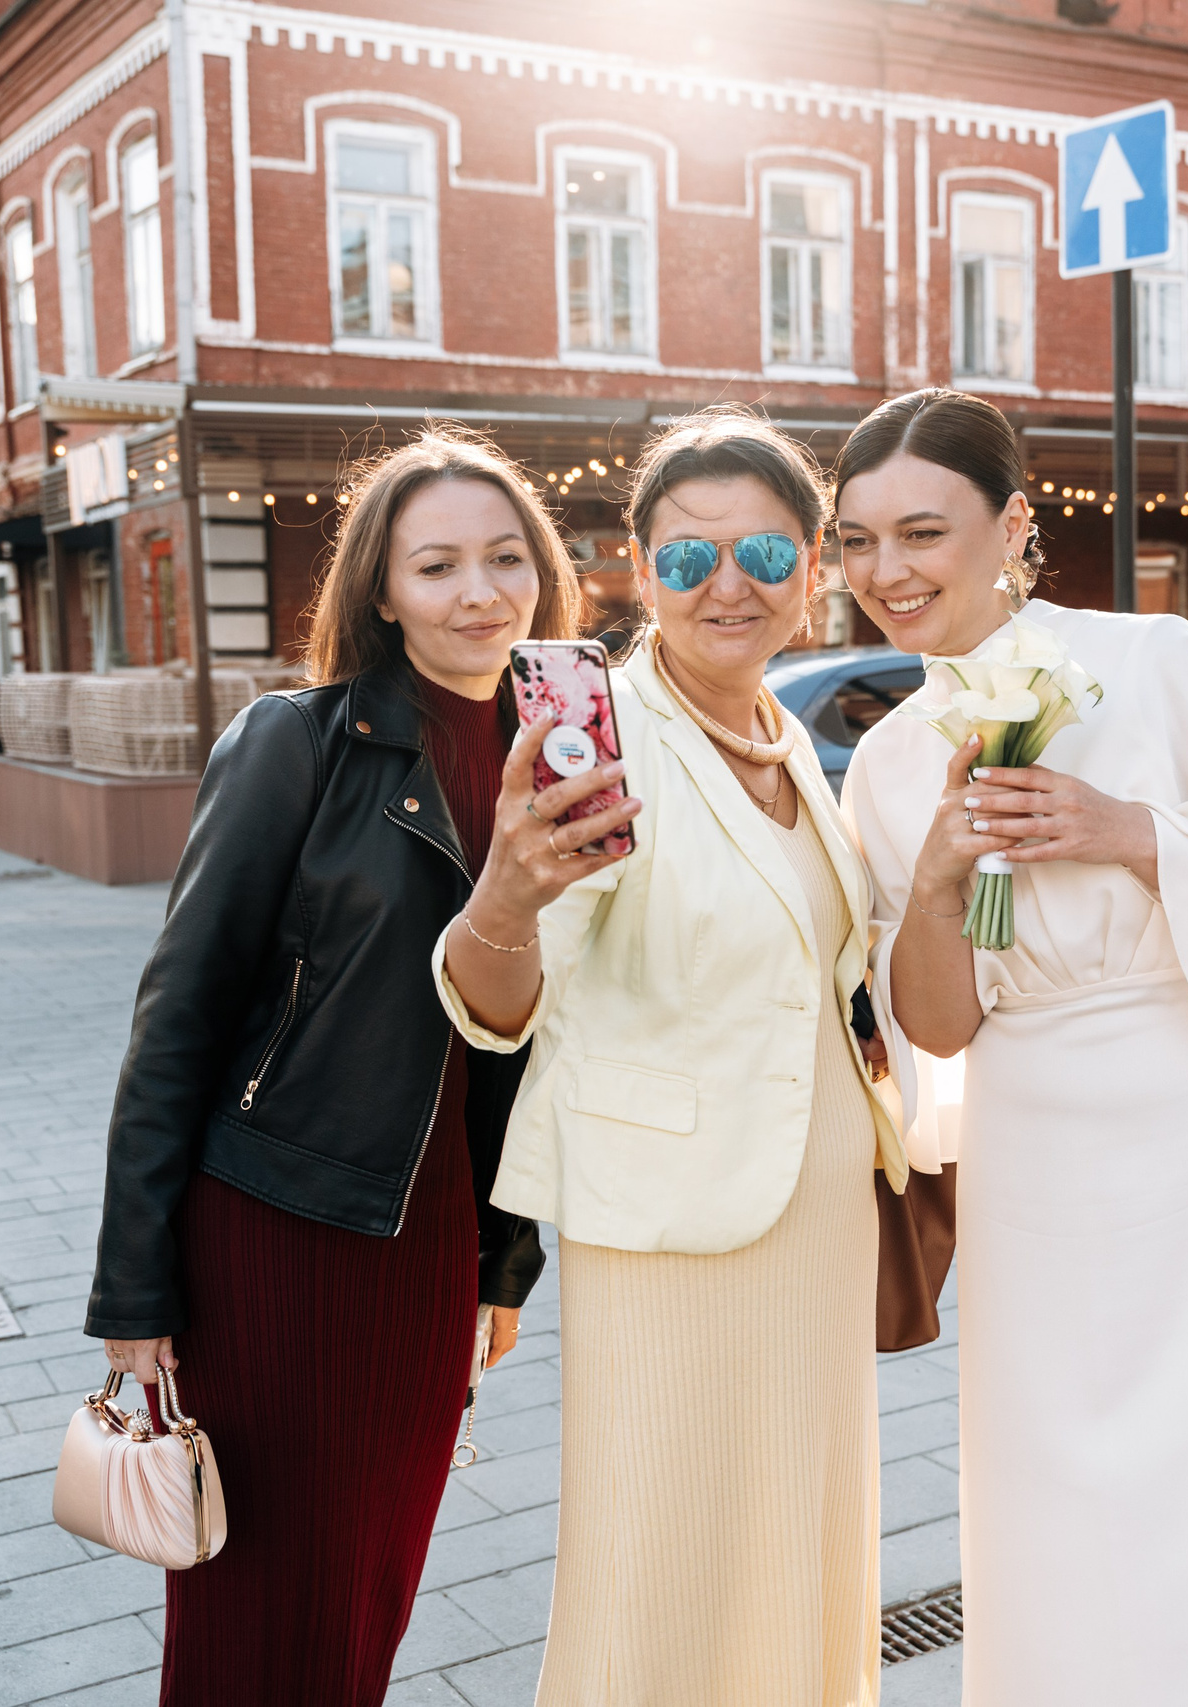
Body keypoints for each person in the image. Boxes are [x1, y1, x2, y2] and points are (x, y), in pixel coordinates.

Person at [835, 389, 1188, 1707]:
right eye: (856, 541)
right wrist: (947, 881)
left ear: (1014, 523)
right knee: (1046, 1493)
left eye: (922, 531)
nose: (888, 572)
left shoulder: (1157, 660)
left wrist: (1124, 825)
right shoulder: (888, 762)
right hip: (1037, 1157)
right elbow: (939, 1024)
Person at [84, 428, 575, 1707]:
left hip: (431, 1246)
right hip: (280, 1227)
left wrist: (501, 1262)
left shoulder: (573, 754)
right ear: (381, 590)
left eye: (505, 557)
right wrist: (135, 1285)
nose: (480, 592)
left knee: (373, 1584)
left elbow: (537, 1046)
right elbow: (178, 1013)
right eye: (438, 565)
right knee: (262, 1600)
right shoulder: (295, 742)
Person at [437, 408, 904, 1707]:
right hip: (668, 1236)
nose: (729, 584)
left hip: (814, 1216)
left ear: (809, 564)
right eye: (689, 558)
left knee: (797, 1542)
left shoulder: (781, 735)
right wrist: (506, 898)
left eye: (762, 549)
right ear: (639, 573)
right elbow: (496, 1003)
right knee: (655, 1572)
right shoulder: (609, 738)